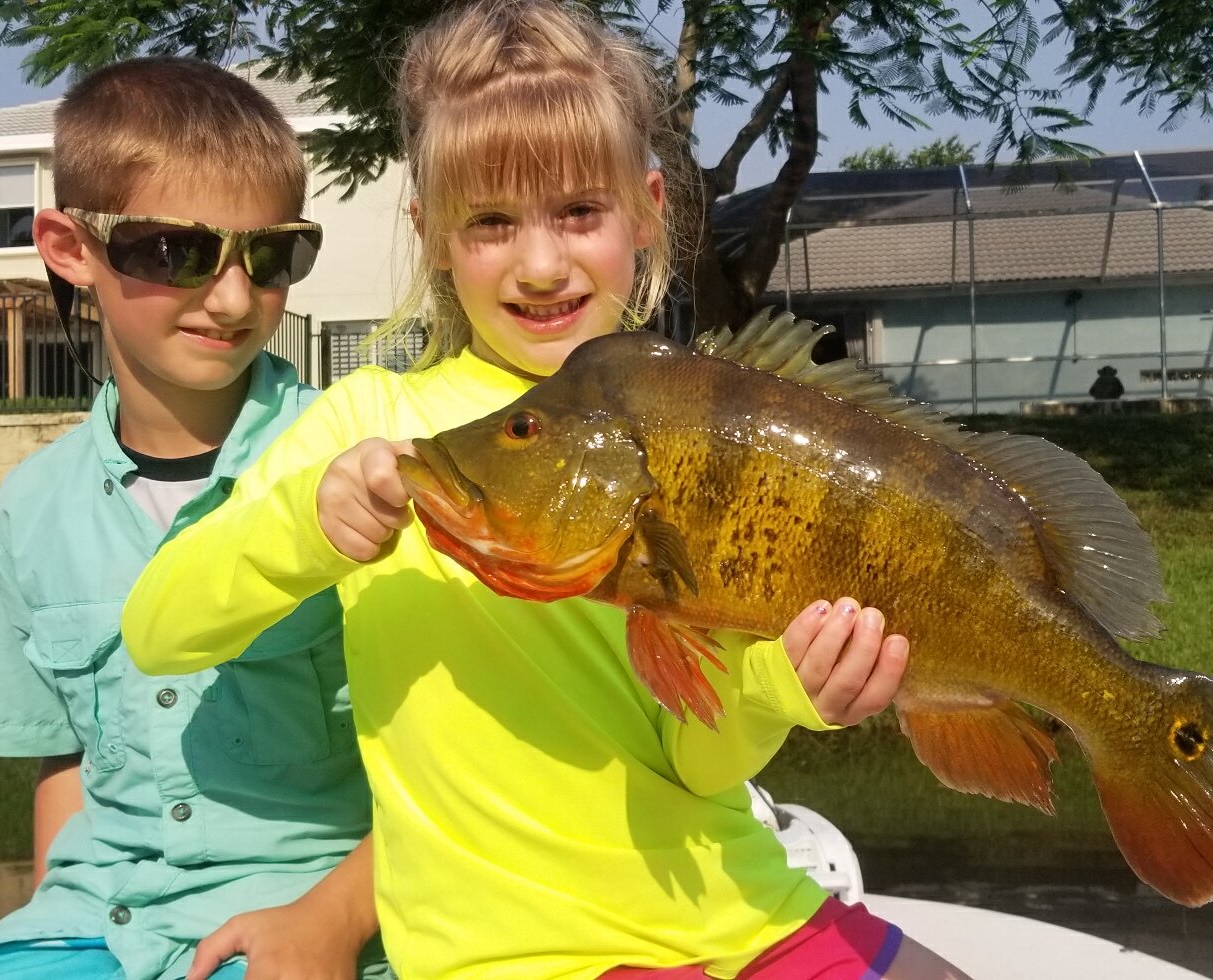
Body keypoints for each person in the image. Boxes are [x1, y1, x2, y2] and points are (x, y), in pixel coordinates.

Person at [122, 2, 972, 977]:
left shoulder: (705, 427)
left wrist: (792, 686)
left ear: (648, 207)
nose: (538, 262)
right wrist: (308, 518)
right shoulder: (370, 429)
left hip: (749, 914)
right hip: (523, 954)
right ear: (430, 231)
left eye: (578, 212)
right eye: (490, 221)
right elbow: (158, 626)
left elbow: (699, 758)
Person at [0, 58, 386, 980]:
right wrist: (50, 945)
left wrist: (332, 927)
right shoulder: (25, 513)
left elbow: (456, 765)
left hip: (323, 924)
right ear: (67, 246)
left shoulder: (368, 464)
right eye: (175, 250)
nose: (231, 297)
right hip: (94, 925)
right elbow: (64, 774)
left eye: (271, 255)